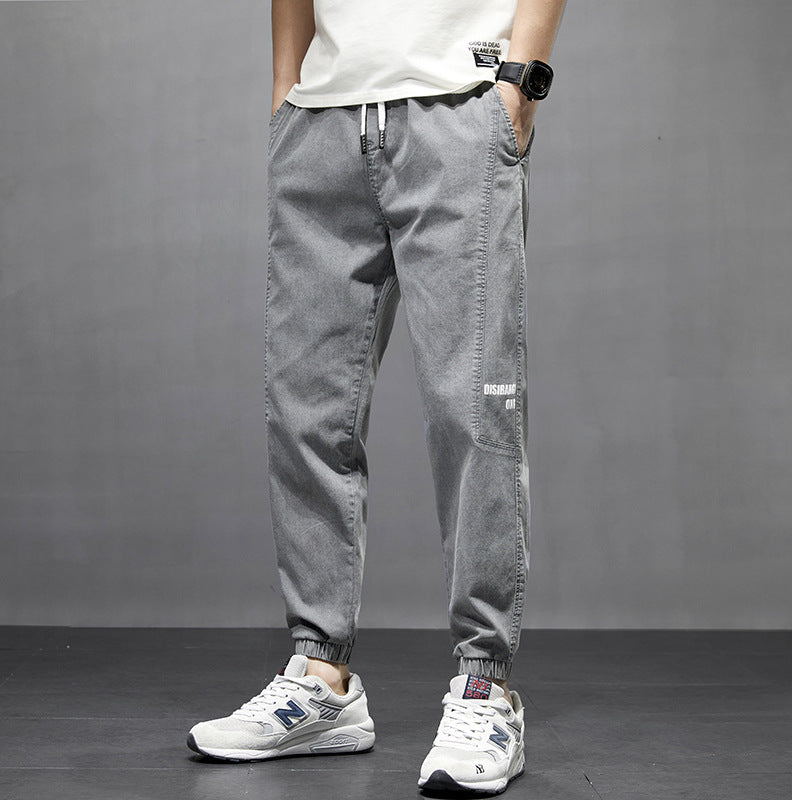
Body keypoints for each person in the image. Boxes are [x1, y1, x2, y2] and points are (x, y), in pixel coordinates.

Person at [187, 0, 567, 793]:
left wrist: (519, 84)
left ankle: (485, 685)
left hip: (459, 106)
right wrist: (287, 90)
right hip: (321, 123)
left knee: (472, 411)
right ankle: (320, 678)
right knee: (305, 409)